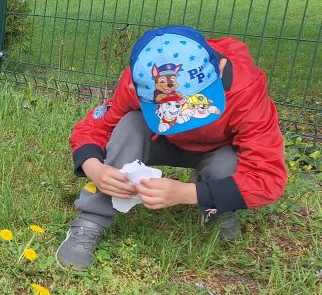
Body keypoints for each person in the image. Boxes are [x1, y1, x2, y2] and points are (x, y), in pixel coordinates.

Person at [56, 25, 287, 270]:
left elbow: (268, 176)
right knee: (130, 126)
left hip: (216, 150)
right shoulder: (142, 79)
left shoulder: (246, 89)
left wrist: (187, 193)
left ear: (219, 69)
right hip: (161, 141)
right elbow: (93, 127)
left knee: (229, 163)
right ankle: (92, 220)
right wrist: (95, 169)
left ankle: (216, 207)